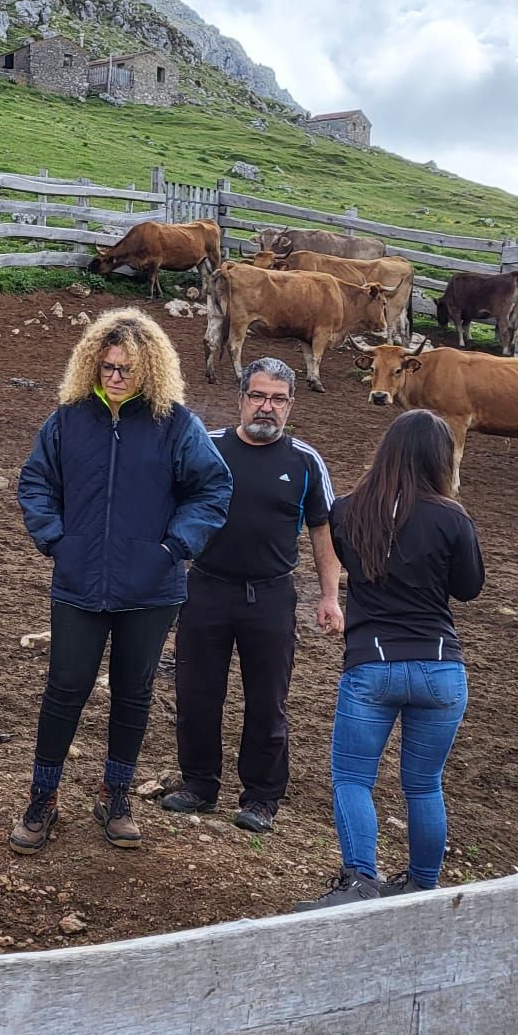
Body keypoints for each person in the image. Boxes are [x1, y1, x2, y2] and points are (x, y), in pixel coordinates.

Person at [12, 308, 233, 853]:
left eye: (126, 368)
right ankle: (43, 797)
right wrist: (58, 541)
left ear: (149, 368)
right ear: (92, 363)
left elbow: (213, 490)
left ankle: (117, 795)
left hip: (151, 589)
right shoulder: (66, 420)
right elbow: (35, 481)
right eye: (107, 365)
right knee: (65, 690)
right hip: (80, 583)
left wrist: (174, 547)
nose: (114, 376)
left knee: (133, 695)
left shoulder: (178, 425)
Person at [295, 409, 485, 911]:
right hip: (441, 666)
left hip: (371, 663)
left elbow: (354, 563)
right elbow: (469, 589)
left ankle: (361, 879)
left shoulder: (348, 511)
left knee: (353, 778)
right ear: (440, 459)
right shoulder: (451, 516)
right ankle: (423, 886)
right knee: (423, 784)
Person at [164, 357, 343, 834]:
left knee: (268, 700)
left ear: (290, 405)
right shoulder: (208, 448)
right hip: (205, 587)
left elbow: (322, 531)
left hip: (270, 595)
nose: (267, 407)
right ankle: (199, 785)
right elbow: (172, 504)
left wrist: (330, 597)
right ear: (241, 398)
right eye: (259, 396)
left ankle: (262, 797)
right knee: (197, 693)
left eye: (278, 399)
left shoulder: (305, 461)